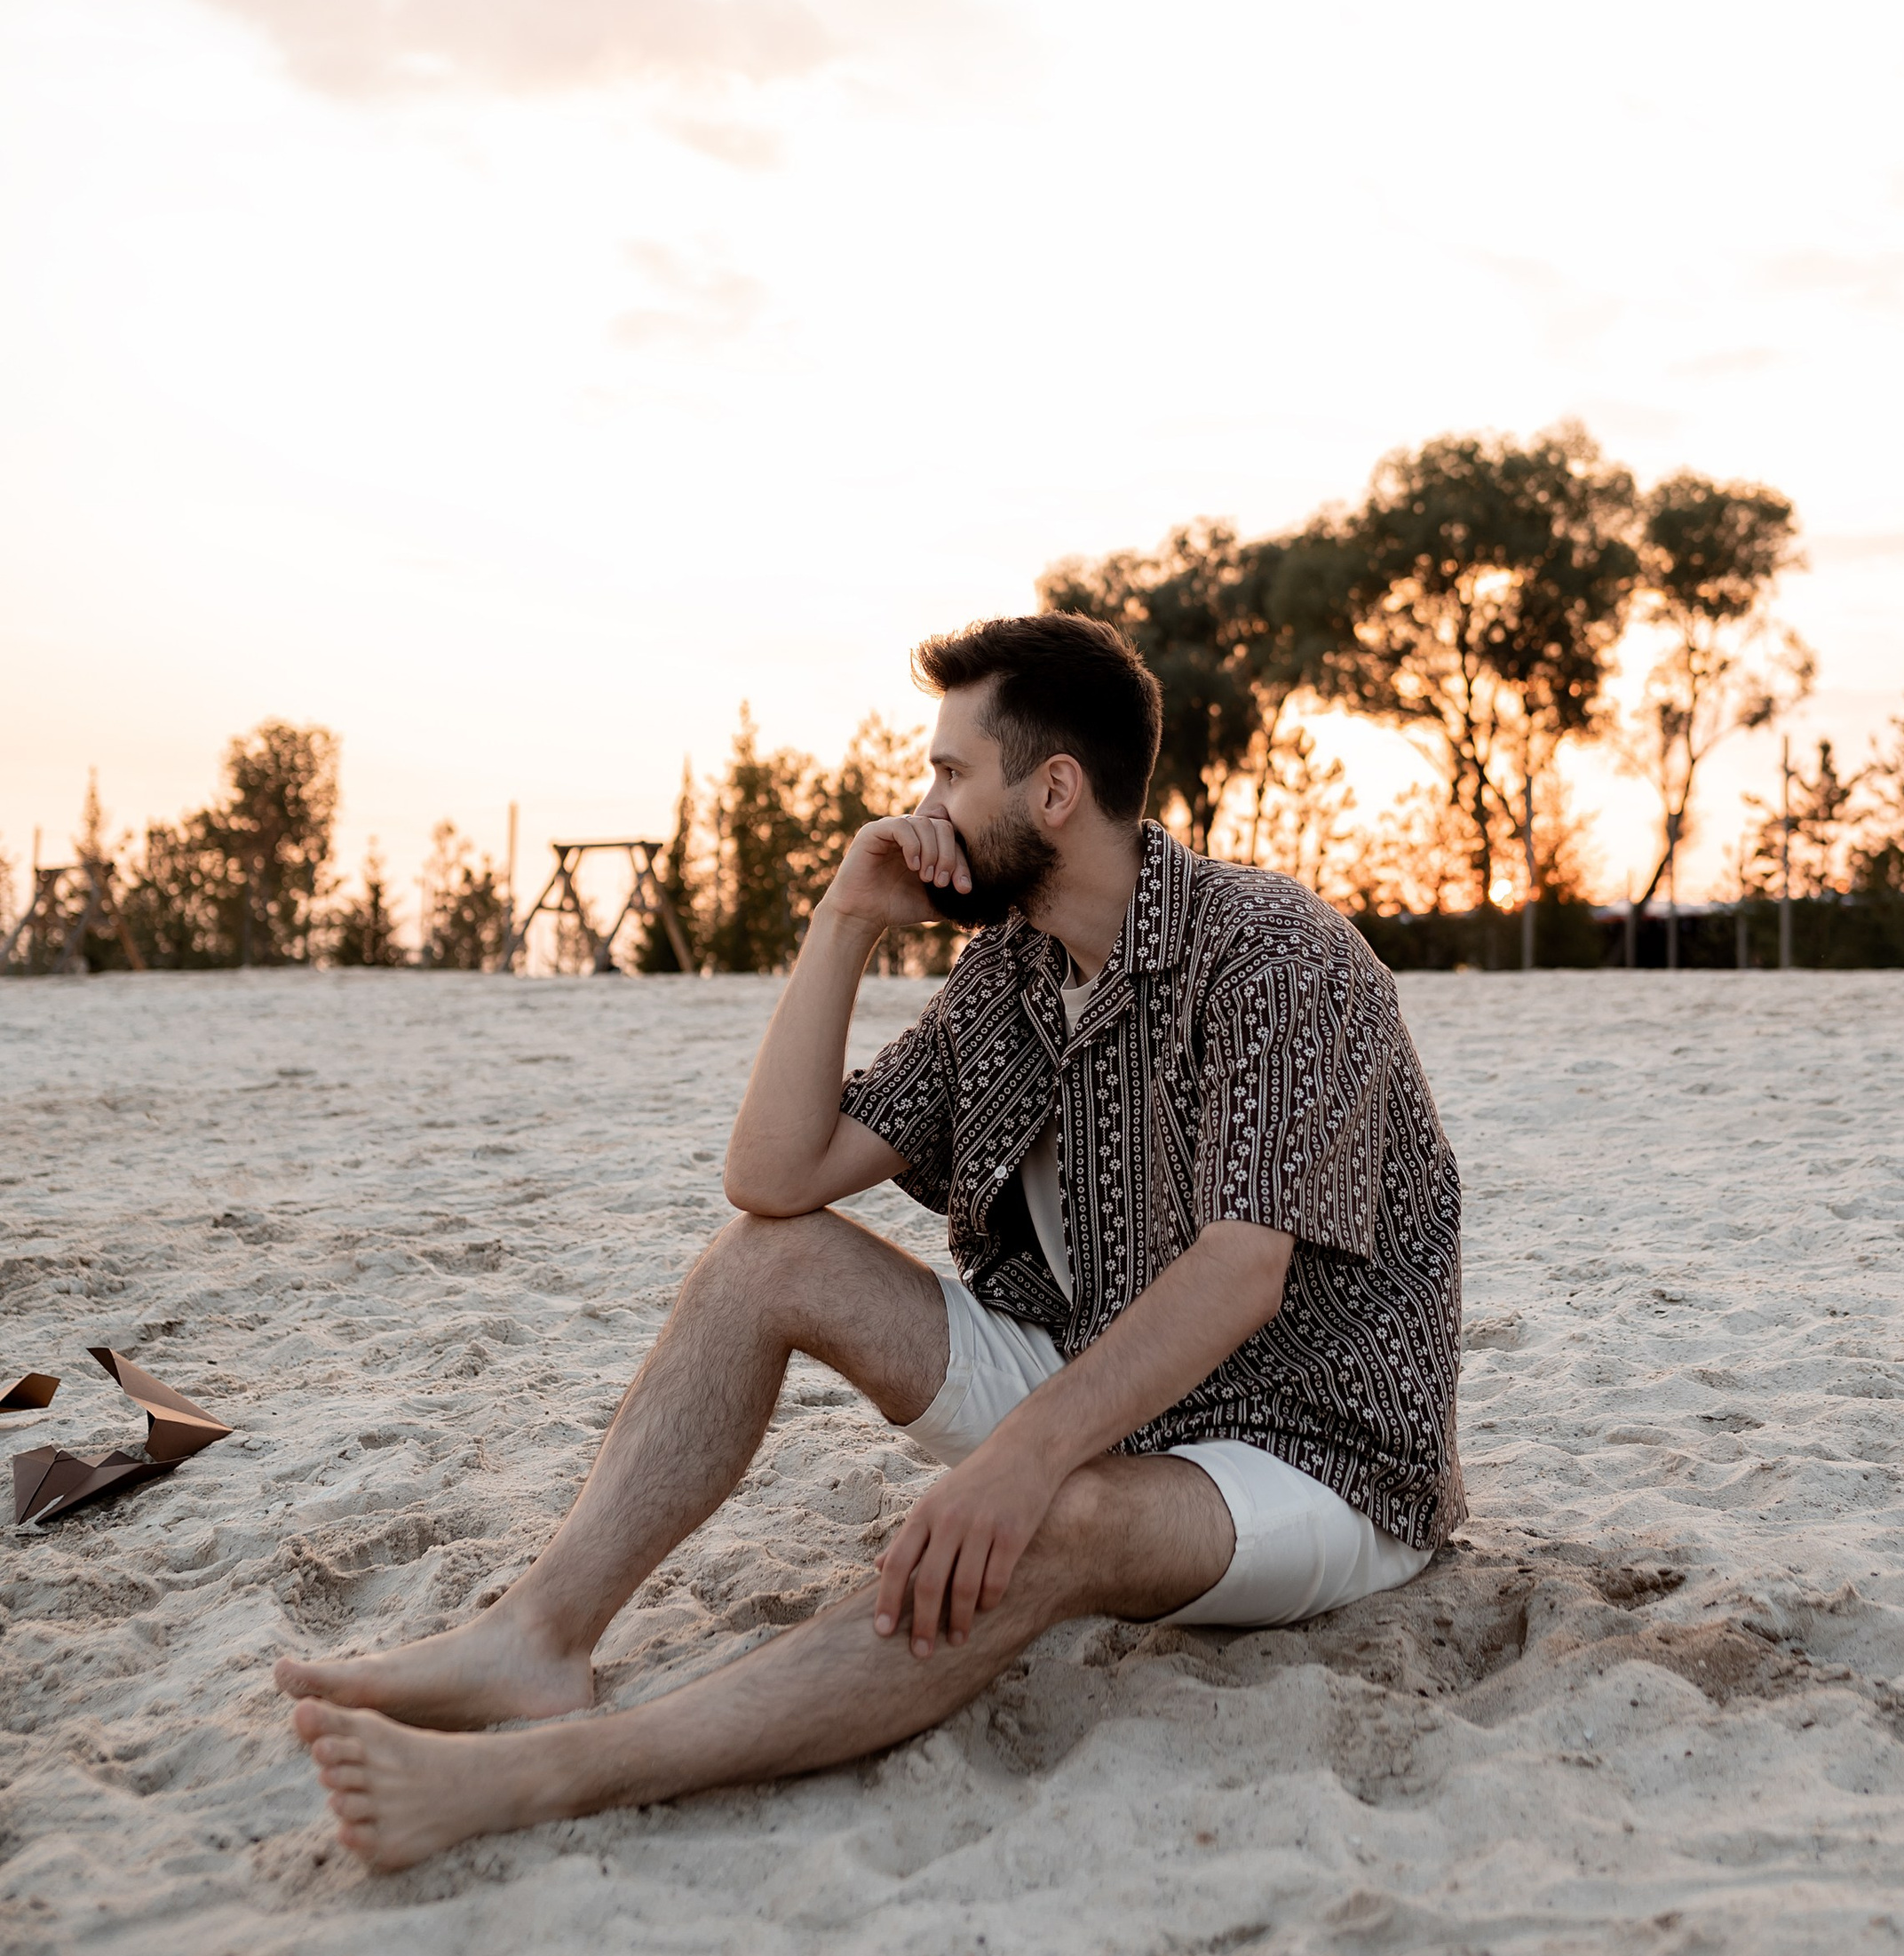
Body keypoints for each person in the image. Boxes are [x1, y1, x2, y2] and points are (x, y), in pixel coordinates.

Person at [280, 614, 1465, 1870]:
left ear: (1053, 790)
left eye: (952, 771)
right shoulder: (1008, 980)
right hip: (1104, 1390)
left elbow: (1240, 1272)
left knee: (1054, 1517)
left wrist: (1019, 1461)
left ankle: (568, 1770)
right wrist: (844, 919)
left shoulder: (1274, 958)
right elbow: (774, 1177)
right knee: (764, 1260)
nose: (926, 803)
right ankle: (541, 1640)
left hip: (1311, 1456)